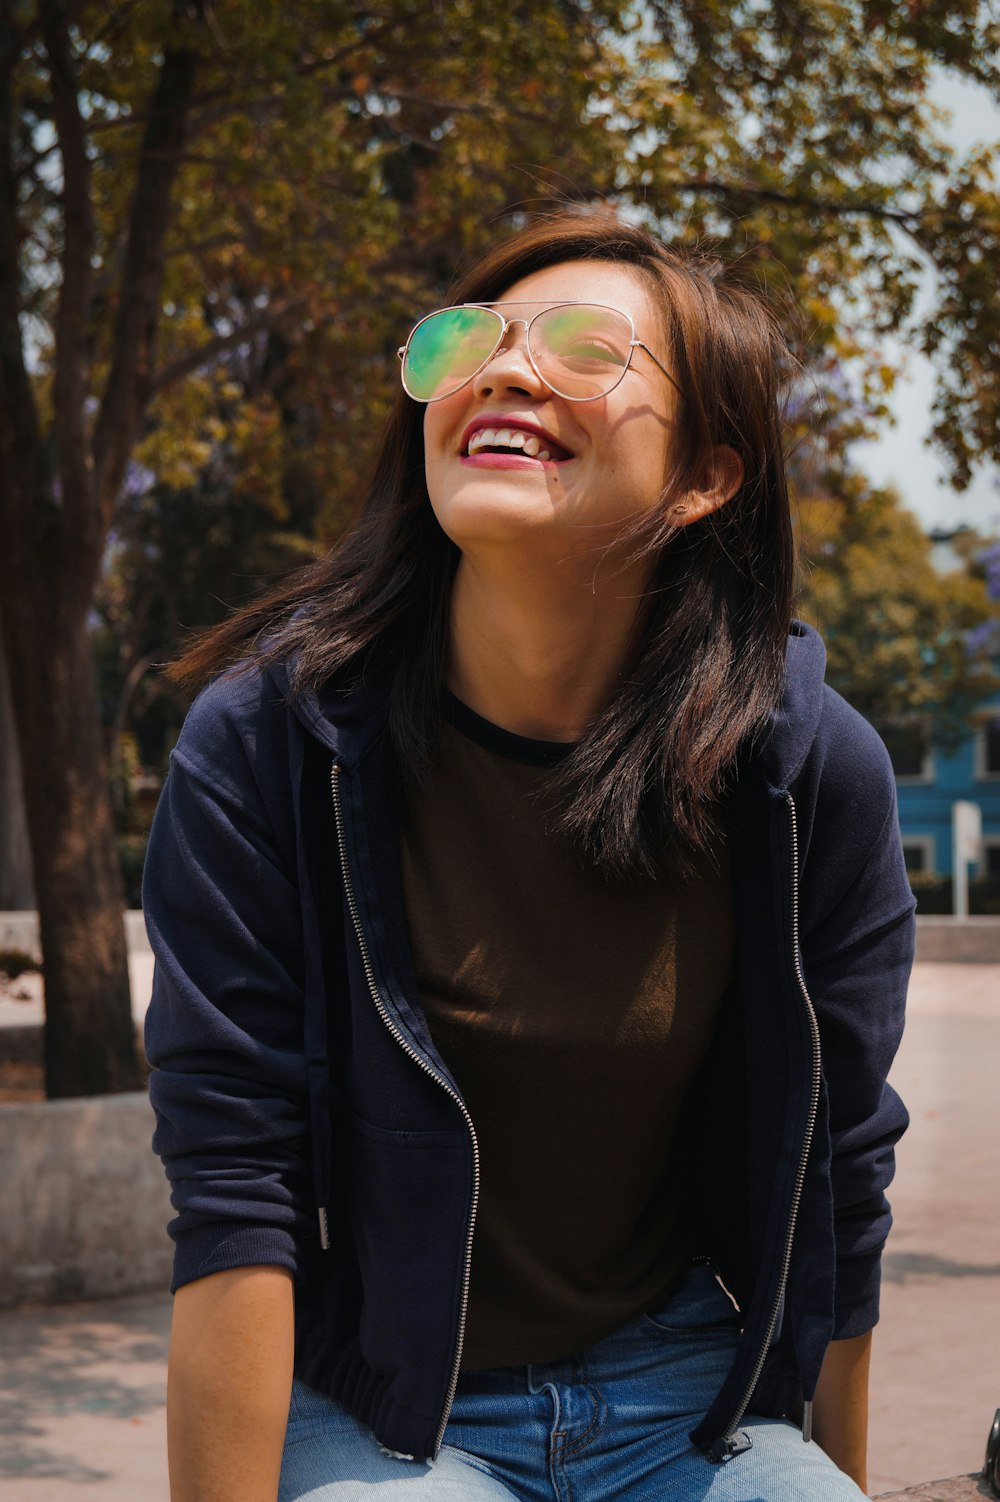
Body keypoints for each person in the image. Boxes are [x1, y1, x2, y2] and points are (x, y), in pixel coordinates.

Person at [143, 210, 915, 1502]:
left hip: (683, 1389)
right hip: (393, 1404)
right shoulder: (270, 739)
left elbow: (840, 1180)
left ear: (704, 478)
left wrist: (828, 1473)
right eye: (470, 342)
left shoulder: (804, 768)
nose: (501, 370)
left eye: (580, 349)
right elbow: (235, 1190)